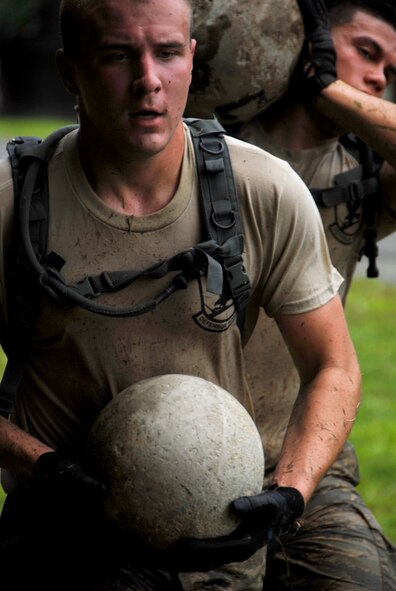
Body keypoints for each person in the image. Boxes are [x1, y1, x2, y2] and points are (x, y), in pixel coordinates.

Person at [0, 0, 361, 589]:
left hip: (219, 555)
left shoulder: (262, 191)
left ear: (191, 59)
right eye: (119, 56)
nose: (149, 82)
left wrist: (291, 491)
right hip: (57, 543)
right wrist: (41, 466)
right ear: (70, 71)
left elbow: (334, 366)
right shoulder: (12, 204)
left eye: (167, 53)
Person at [235, 0, 396, 588]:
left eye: (389, 71)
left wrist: (331, 89)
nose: (380, 78)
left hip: (308, 457)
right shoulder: (212, 146)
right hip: (196, 446)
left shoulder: (360, 172)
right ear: (312, 46)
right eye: (366, 52)